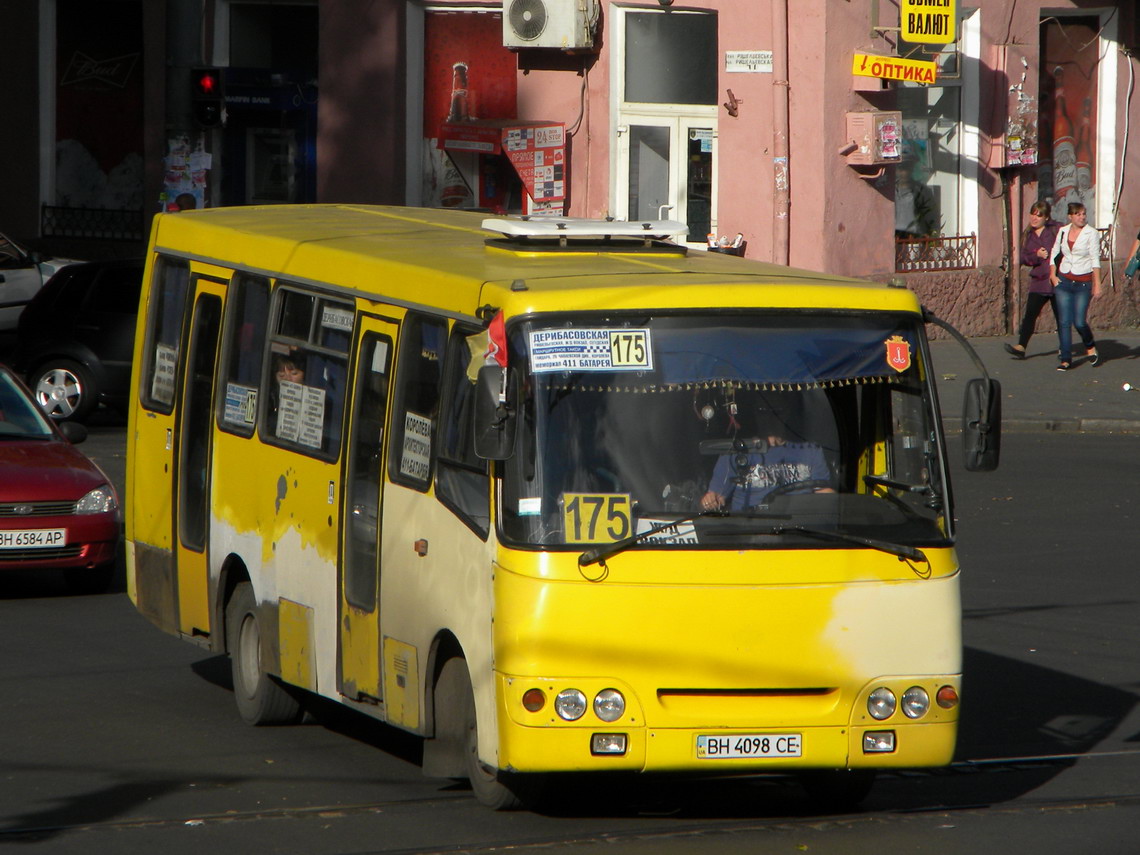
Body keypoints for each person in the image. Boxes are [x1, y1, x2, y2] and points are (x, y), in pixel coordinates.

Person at [700, 408, 833, 512]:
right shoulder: (737, 451)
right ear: (755, 414)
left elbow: (825, 497)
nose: (770, 416)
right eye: (762, 411)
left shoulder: (810, 450)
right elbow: (716, 497)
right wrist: (709, 501)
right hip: (749, 531)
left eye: (777, 411)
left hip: (800, 531)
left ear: (787, 412)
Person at [1004, 201, 1062, 360]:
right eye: (1033, 214)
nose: (1034, 218)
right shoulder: (1028, 236)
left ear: (1046, 217)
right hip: (1039, 282)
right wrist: (1036, 255)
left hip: (1056, 280)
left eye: (1039, 215)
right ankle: (1021, 346)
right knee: (1030, 315)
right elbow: (1023, 258)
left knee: (1061, 317)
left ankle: (1064, 348)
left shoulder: (1055, 231)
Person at [1049, 202, 1103, 371]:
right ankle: (1066, 359)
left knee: (1079, 321)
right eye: (1078, 214)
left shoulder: (1091, 233)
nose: (1081, 217)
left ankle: (1090, 345)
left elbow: (1095, 259)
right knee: (1064, 321)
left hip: (1083, 282)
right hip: (1063, 281)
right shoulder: (1063, 231)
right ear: (1070, 216)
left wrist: (1097, 284)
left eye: (1083, 214)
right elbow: (1054, 253)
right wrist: (1052, 275)